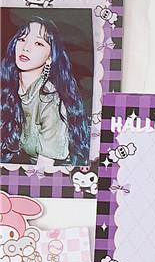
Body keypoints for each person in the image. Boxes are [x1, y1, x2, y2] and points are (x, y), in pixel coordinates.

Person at [0, 18, 89, 167]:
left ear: (49, 58)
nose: (26, 48)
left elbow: (43, 171)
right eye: (22, 39)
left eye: (38, 43)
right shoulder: (8, 88)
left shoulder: (50, 100)